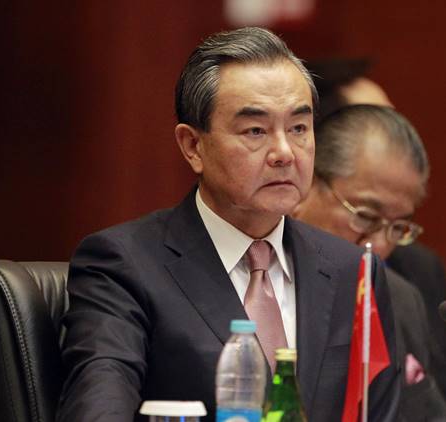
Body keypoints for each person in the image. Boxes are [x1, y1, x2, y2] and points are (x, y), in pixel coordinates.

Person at [57, 27, 399, 422]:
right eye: (255, 130)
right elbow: (98, 411)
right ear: (193, 146)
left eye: (299, 128)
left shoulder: (354, 270)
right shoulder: (123, 264)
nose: (285, 153)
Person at [293, 104, 446, 422]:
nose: (379, 246)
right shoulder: (259, 284)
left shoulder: (400, 300)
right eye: (366, 217)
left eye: (397, 228)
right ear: (303, 187)